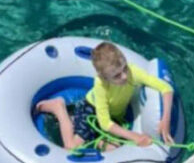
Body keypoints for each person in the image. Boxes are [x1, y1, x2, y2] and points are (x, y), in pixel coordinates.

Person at [35, 41, 175, 151]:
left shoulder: (133, 72)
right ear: (104, 78)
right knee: (71, 147)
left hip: (114, 116)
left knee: (113, 148)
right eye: (117, 75)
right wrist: (135, 136)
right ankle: (59, 108)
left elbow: (166, 88)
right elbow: (105, 123)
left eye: (124, 68)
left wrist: (165, 118)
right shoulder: (100, 84)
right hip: (91, 109)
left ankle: (91, 135)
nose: (125, 76)